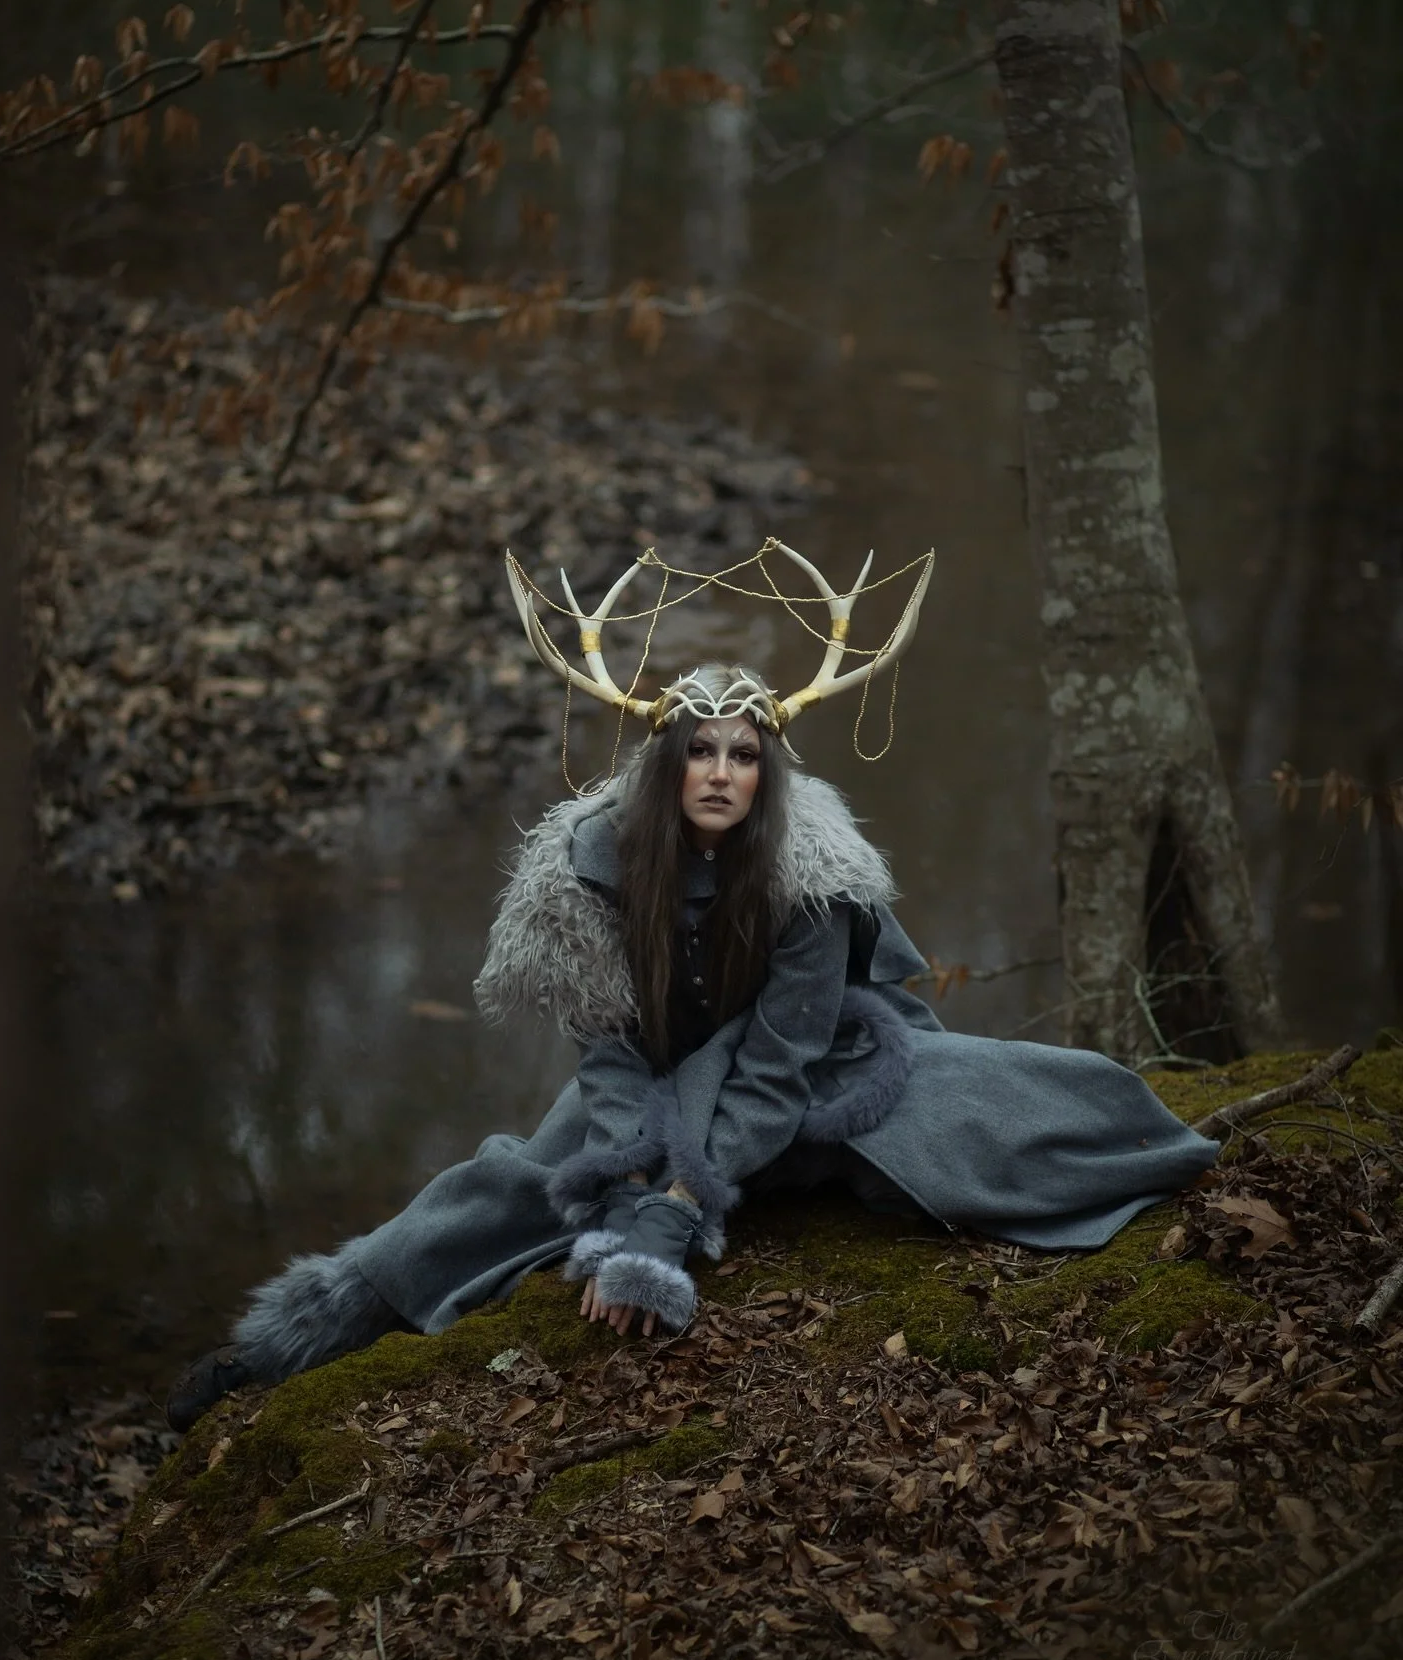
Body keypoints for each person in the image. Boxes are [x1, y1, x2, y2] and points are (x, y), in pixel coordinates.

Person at [165, 545, 1219, 1431]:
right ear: (667, 764)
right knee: (511, 1193)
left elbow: (776, 1061)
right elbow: (609, 1053)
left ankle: (1127, 1140)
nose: (720, 773)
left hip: (817, 1066)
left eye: (744, 755)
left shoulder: (813, 876)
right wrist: (628, 1182)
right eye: (700, 752)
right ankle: (280, 1348)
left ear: (768, 772)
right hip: (653, 1078)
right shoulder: (584, 873)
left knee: (982, 1117)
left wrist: (679, 1205)